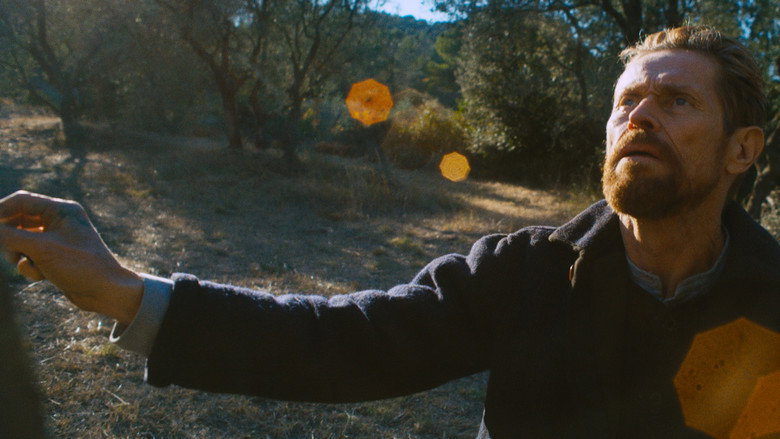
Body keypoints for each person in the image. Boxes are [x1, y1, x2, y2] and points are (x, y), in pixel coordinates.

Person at [1, 25, 779, 438]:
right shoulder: (529, 272)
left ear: (742, 149)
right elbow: (347, 340)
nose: (638, 116)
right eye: (626, 102)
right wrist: (124, 292)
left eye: (677, 102)